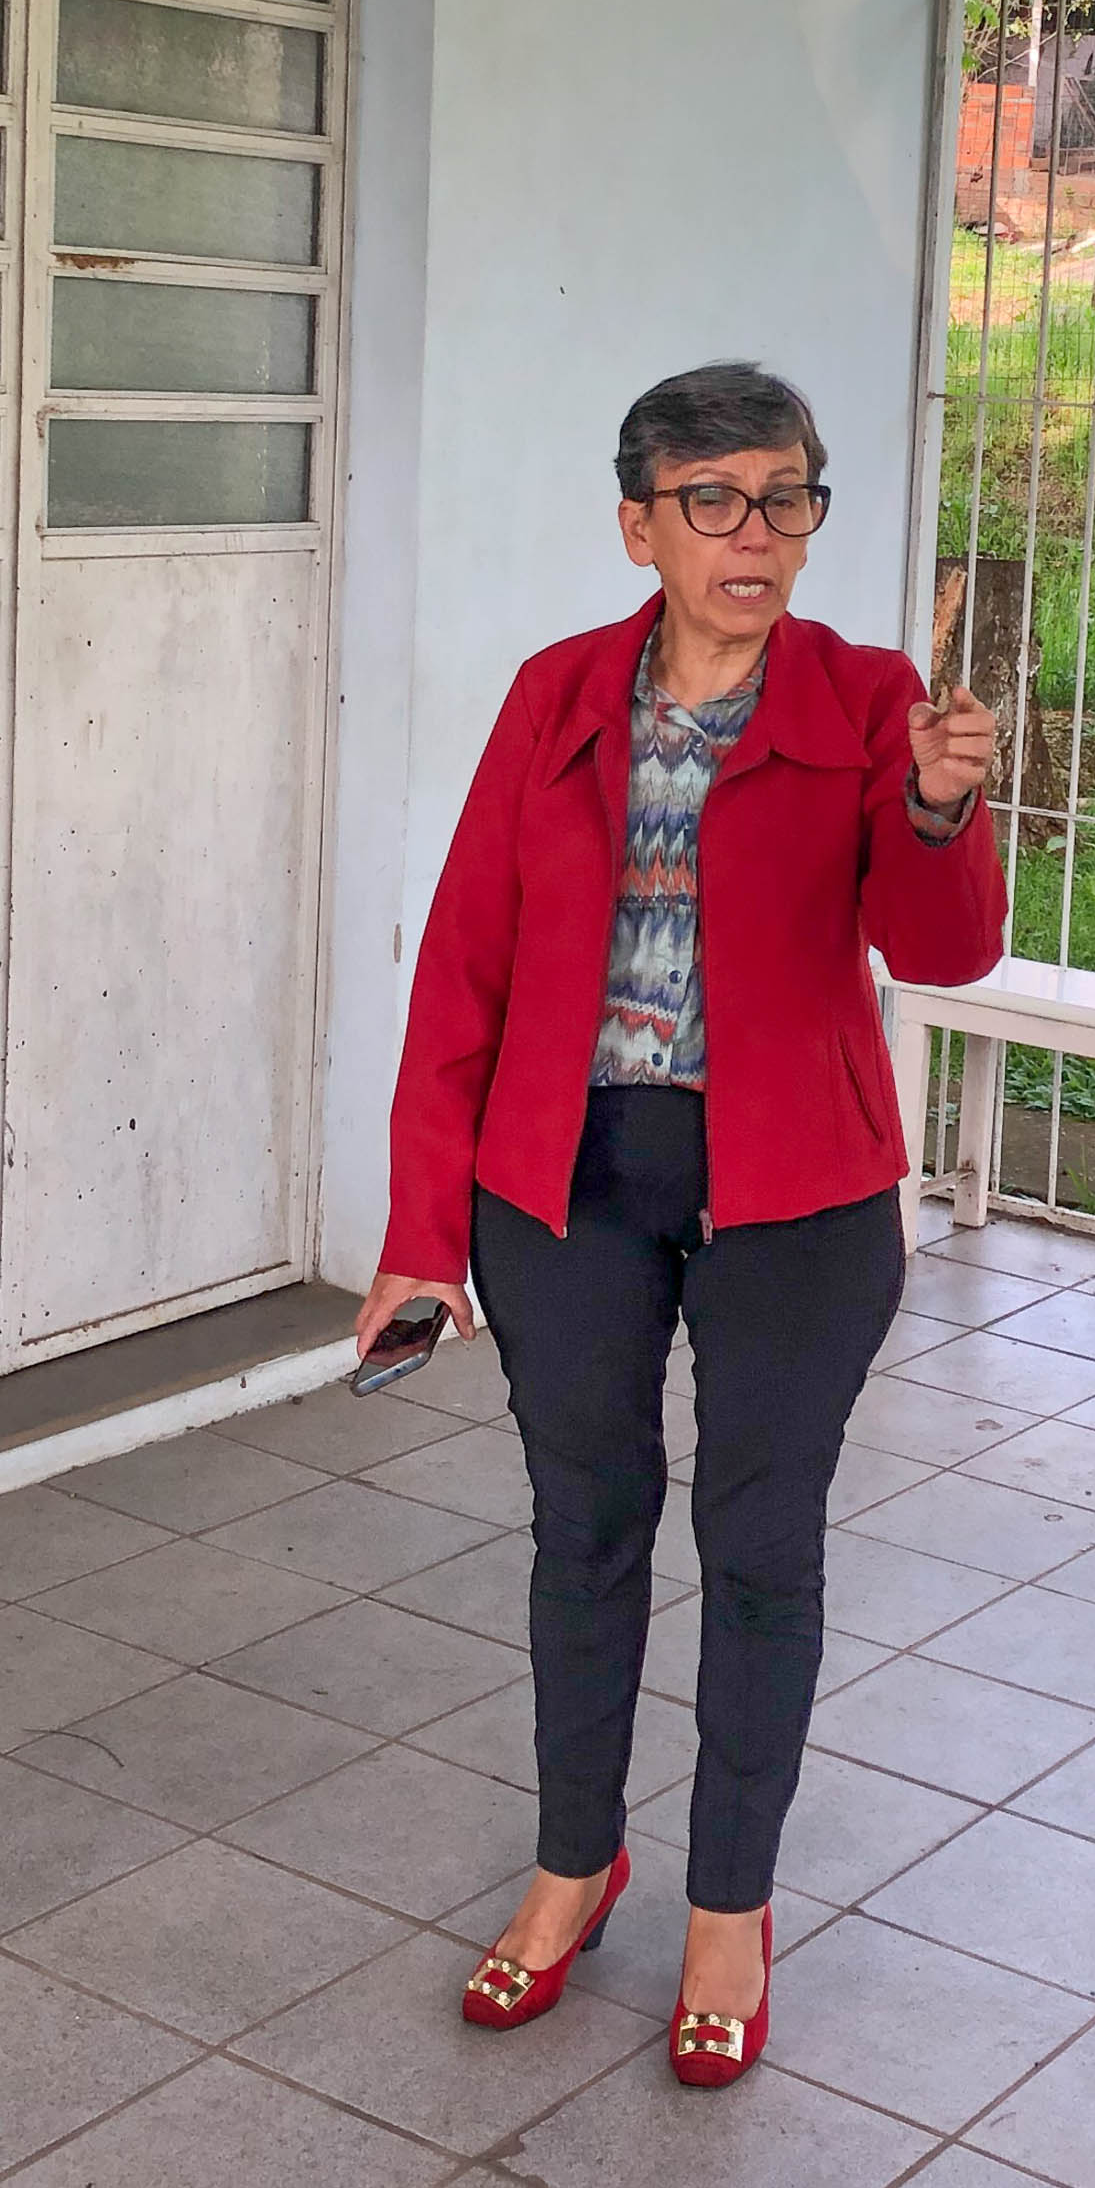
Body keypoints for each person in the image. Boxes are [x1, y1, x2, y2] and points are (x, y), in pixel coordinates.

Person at [359, 360, 1004, 2086]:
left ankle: (732, 1907)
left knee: (759, 1543)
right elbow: (465, 967)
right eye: (711, 501)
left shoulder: (873, 700)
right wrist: (426, 1230)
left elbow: (939, 952)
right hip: (565, 1179)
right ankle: (578, 1861)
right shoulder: (557, 693)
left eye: (786, 498)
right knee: (583, 1532)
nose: (754, 534)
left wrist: (939, 806)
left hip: (792, 1189)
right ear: (638, 523)